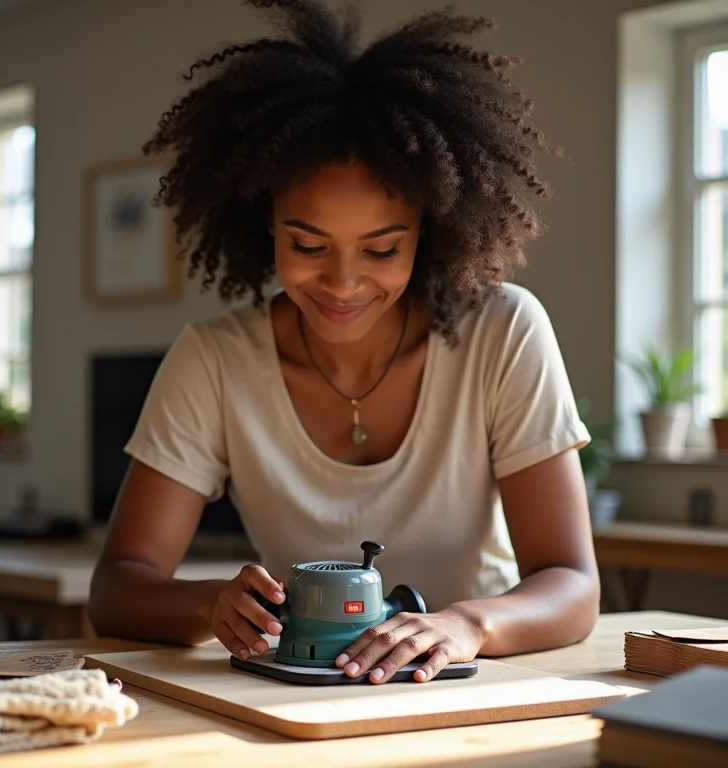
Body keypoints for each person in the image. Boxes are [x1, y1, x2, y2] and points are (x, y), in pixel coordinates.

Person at [88, 0, 600, 685]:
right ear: (264, 219)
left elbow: (571, 583)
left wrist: (465, 624)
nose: (344, 283)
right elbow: (117, 589)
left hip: (476, 687)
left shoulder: (502, 332)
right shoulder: (214, 360)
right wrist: (210, 604)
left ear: (431, 229)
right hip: (305, 700)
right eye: (307, 244)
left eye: (383, 249)